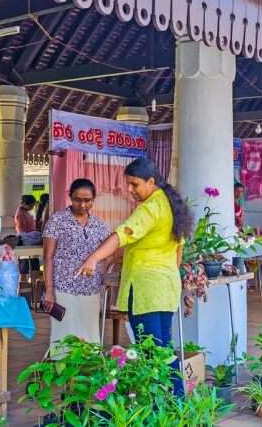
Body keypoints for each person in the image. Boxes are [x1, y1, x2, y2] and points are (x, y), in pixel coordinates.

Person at [79, 157, 193, 394]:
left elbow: (122, 234)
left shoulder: (151, 208)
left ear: (151, 181)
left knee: (152, 350)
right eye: (128, 185)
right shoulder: (170, 204)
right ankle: (176, 404)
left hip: (147, 291)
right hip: (166, 287)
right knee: (162, 348)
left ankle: (175, 400)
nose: (130, 191)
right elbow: (177, 252)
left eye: (135, 185)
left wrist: (93, 258)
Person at [42, 179, 110, 353]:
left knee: (90, 339)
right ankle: (66, 378)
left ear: (94, 199)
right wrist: (49, 290)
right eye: (77, 199)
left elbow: (110, 251)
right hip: (63, 289)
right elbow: (48, 257)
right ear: (70, 197)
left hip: (91, 290)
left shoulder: (100, 225)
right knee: (63, 338)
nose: (83, 204)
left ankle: (87, 378)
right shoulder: (57, 220)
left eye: (88, 200)